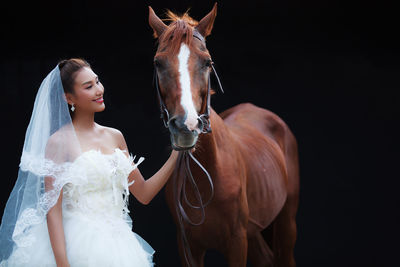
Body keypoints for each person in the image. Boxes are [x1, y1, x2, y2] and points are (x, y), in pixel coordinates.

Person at [0, 58, 179, 267]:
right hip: (76, 243)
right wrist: (62, 263)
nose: (98, 90)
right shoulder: (59, 141)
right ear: (69, 98)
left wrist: (178, 154)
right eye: (88, 87)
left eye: (97, 82)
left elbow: (144, 193)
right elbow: (53, 211)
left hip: (118, 245)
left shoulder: (115, 136)